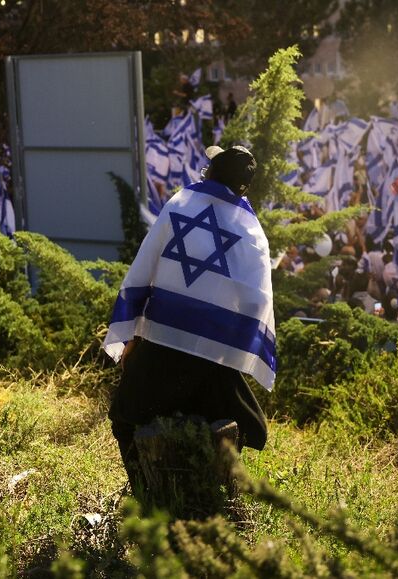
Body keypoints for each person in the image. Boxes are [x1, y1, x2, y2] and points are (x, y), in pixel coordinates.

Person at [103, 145, 273, 493]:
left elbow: (143, 270)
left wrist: (133, 338)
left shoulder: (180, 204)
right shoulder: (251, 230)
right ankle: (215, 499)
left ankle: (144, 493)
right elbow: (258, 304)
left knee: (124, 417)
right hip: (213, 359)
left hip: (161, 344)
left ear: (210, 171)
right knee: (239, 425)